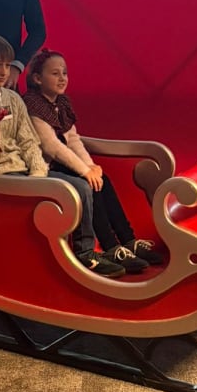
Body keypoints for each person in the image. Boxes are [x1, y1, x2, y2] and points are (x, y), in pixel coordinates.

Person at [0, 34, 124, 277]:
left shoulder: (12, 98)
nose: (4, 72)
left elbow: (29, 141)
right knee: (67, 188)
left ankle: (85, 252)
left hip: (23, 170)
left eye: (7, 65)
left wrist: (37, 175)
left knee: (81, 186)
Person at [23, 49, 163, 272]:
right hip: (43, 165)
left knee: (102, 180)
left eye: (65, 73)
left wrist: (90, 166)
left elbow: (73, 139)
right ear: (38, 78)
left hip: (60, 163)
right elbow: (52, 146)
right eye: (55, 74)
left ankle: (128, 240)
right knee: (88, 184)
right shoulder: (32, 104)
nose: (62, 78)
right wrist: (84, 171)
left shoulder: (61, 103)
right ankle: (110, 247)